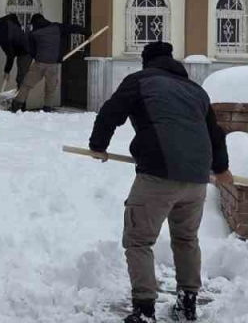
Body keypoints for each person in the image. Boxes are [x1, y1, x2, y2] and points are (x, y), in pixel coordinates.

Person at [88, 41, 233, 323]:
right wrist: (222, 168)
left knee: (139, 241)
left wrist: (98, 145)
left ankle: (144, 311)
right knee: (186, 238)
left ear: (146, 62)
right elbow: (215, 133)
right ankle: (187, 305)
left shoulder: (140, 81)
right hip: (196, 179)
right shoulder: (197, 91)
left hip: (157, 174)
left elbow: (110, 112)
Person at [12, 13, 88, 112]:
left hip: (39, 63)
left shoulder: (33, 33)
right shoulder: (57, 27)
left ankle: (16, 106)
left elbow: (31, 49)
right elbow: (73, 28)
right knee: (50, 89)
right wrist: (86, 32)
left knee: (26, 84)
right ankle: (47, 109)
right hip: (53, 64)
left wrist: (38, 56)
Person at [0, 14, 30, 93]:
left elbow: (10, 55)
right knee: (21, 78)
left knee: (21, 78)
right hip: (23, 48)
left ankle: (20, 103)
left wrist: (7, 72)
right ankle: (20, 101)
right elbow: (13, 15)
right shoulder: (2, 20)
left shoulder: (2, 36)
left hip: (25, 51)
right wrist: (19, 31)